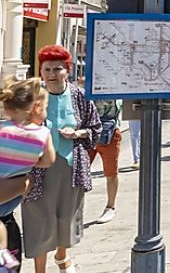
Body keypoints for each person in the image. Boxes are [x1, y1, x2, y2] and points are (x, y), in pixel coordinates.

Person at [23, 45, 101, 273]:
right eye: (47, 69)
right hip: (37, 169)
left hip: (70, 165)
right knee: (39, 218)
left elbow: (95, 127)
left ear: (68, 70)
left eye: (58, 69)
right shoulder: (32, 95)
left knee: (66, 215)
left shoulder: (78, 95)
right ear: (41, 71)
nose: (52, 74)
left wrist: (77, 134)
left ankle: (62, 256)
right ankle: (40, 270)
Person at [0, 77, 56, 271]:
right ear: (37, 108)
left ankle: (3, 256)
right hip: (12, 194)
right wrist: (31, 162)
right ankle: (4, 258)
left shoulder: (2, 130)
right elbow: (49, 161)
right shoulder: (42, 134)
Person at [88, 99, 123, 224]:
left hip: (110, 132)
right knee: (78, 173)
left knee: (111, 172)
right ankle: (74, 208)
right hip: (87, 133)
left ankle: (110, 206)